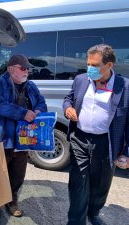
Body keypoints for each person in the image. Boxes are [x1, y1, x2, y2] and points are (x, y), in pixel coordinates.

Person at [63, 44, 129, 225]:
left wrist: (126, 151)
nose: (89, 69)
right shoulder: (81, 80)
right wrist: (68, 108)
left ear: (109, 65)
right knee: (78, 182)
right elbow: (68, 98)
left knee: (101, 183)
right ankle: (76, 220)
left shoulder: (125, 87)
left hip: (106, 142)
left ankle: (93, 212)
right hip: (80, 138)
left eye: (95, 65)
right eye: (88, 64)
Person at [0, 54, 47, 218]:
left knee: (18, 174)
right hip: (2, 137)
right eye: (23, 68)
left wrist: (39, 111)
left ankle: (11, 201)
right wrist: (23, 113)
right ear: (11, 68)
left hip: (23, 140)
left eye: (28, 68)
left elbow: (41, 102)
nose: (26, 71)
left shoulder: (31, 85)